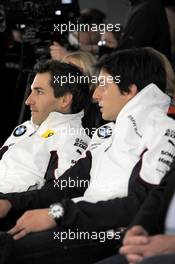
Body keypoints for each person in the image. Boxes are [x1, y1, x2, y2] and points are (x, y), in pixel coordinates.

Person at [0, 48, 175, 264]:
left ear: (129, 90)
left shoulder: (164, 130)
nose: (95, 95)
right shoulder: (107, 134)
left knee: (7, 247)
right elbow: (63, 187)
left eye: (103, 85)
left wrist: (57, 213)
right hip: (80, 221)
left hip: (111, 235)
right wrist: (9, 202)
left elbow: (140, 203)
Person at [0, 60, 90, 193]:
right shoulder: (27, 127)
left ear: (64, 100)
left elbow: (57, 195)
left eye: (39, 92)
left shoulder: (73, 138)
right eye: (32, 91)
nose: (28, 101)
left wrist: (8, 203)